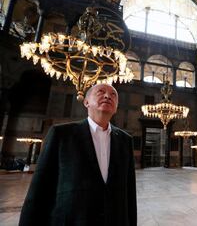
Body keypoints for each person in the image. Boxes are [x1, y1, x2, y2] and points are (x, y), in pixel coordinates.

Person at [19, 84, 137, 226]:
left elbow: (129, 193)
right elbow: (39, 192)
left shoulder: (125, 140)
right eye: (101, 92)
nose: (107, 96)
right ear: (86, 102)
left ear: (116, 106)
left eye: (113, 95)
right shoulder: (61, 134)